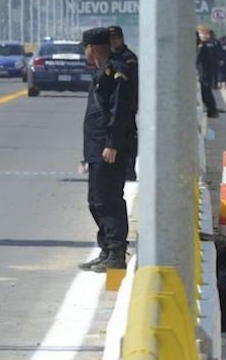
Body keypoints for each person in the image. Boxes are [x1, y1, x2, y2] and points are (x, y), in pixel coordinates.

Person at [77, 27, 135, 273]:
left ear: (92, 48)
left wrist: (112, 143)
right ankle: (106, 249)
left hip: (109, 148)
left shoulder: (118, 72)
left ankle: (116, 253)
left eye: (86, 48)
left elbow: (120, 111)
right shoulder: (102, 72)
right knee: (95, 201)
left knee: (108, 200)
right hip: (96, 148)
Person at [108, 26, 139, 181]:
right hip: (111, 108)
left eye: (115, 38)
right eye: (110, 38)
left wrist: (133, 106)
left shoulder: (129, 58)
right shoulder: (108, 57)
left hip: (127, 107)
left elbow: (132, 85)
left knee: (127, 140)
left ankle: (129, 172)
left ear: (121, 38)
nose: (113, 41)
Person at [196, 26, 220, 118]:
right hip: (207, 71)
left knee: (206, 92)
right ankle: (212, 109)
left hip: (204, 72)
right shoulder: (206, 45)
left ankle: (212, 110)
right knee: (206, 91)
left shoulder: (203, 46)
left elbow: (198, 59)